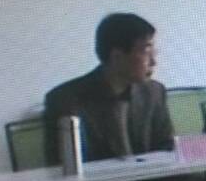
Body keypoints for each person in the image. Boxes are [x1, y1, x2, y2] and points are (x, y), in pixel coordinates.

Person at [43, 13, 174, 164]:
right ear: (117, 56)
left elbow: (167, 150)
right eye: (146, 52)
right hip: (93, 180)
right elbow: (63, 165)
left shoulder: (154, 92)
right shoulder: (64, 101)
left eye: (154, 52)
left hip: (153, 177)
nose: (153, 62)